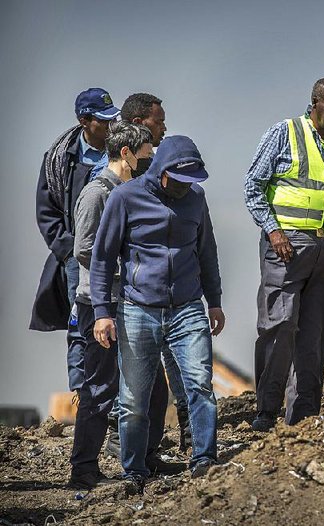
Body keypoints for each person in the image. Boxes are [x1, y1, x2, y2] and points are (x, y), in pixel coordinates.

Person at [91, 135, 225, 492]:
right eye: (180, 180)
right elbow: (102, 258)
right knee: (134, 397)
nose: (186, 187)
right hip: (137, 310)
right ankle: (133, 471)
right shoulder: (125, 198)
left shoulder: (196, 198)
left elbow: (207, 251)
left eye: (192, 180)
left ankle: (204, 459)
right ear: (163, 172)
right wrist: (102, 312)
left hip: (187, 307)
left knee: (199, 384)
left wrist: (214, 301)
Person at [244, 78, 324, 431]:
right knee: (279, 325)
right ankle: (266, 412)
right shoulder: (284, 133)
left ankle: (304, 418)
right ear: (315, 102)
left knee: (318, 333)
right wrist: (273, 230)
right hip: (287, 247)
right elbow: (253, 186)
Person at [69, 122, 182, 488]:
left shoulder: (134, 192)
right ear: (126, 154)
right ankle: (83, 471)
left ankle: (146, 460)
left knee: (151, 388)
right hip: (100, 305)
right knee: (101, 389)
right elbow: (85, 249)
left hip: (133, 304)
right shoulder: (96, 194)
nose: (151, 160)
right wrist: (131, 265)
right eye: (147, 155)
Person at [98, 93, 192, 457]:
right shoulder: (109, 187)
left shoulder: (157, 171)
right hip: (132, 296)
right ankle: (124, 446)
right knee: (133, 375)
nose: (164, 127)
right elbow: (96, 249)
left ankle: (182, 435)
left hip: (161, 291)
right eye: (158, 121)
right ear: (139, 124)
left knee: (175, 367)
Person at [31, 88, 119, 396]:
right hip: (76, 261)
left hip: (116, 258)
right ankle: (85, 396)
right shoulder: (60, 159)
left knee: (117, 326)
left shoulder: (120, 154)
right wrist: (70, 251)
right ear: (84, 121)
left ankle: (114, 401)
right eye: (103, 120)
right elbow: (47, 213)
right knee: (81, 329)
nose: (111, 125)